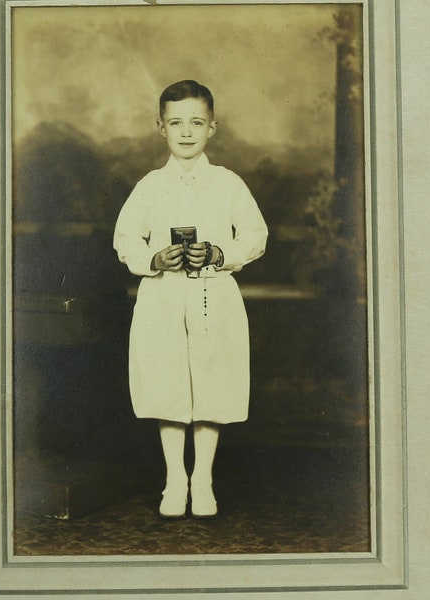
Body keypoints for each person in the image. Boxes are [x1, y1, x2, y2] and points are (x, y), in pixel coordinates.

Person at [113, 80, 267, 518]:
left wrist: (221, 254)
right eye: (176, 123)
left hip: (212, 295)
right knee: (169, 383)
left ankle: (203, 478)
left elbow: (256, 235)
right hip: (163, 296)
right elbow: (125, 239)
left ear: (212, 128)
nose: (186, 132)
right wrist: (154, 258)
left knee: (211, 381)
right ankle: (174, 479)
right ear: (160, 127)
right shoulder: (149, 186)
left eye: (196, 123)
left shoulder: (228, 183)